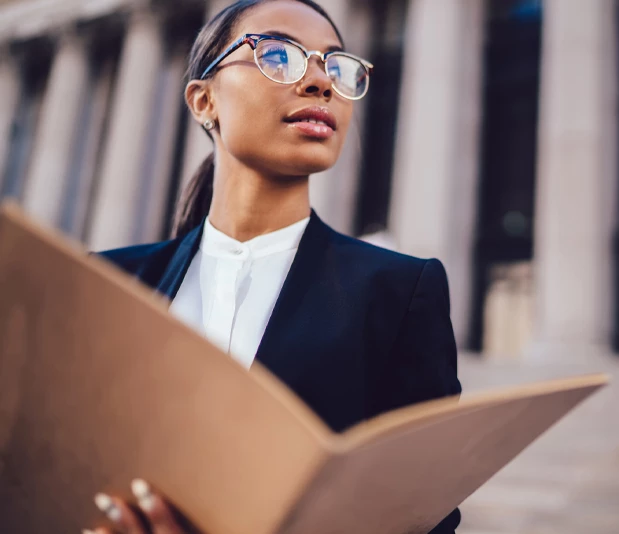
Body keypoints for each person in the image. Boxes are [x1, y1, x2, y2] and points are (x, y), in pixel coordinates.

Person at [83, 1, 462, 533]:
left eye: (335, 66)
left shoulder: (399, 293)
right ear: (204, 100)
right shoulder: (109, 286)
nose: (319, 82)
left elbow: (426, 518)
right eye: (279, 55)